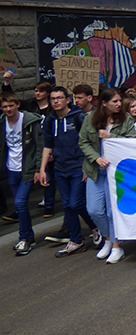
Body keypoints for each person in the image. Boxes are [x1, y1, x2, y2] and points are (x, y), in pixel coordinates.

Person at [37, 86, 98, 257]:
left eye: (59, 98)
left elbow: (87, 142)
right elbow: (47, 146)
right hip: (60, 169)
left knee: (76, 203)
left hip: (78, 167)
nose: (56, 101)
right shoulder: (50, 121)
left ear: (67, 100)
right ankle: (76, 240)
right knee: (67, 206)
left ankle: (94, 226)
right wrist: (42, 169)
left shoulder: (78, 117)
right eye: (53, 98)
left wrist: (88, 166)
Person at [78, 89, 136, 263]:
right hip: (96, 171)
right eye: (115, 101)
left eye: (120, 101)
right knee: (94, 209)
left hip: (116, 172)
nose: (119, 104)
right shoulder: (90, 119)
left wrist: (111, 136)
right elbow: (83, 141)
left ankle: (117, 246)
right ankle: (108, 238)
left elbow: (132, 142)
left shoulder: (126, 120)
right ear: (104, 103)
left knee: (112, 211)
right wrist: (96, 158)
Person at [1, 92, 44, 255]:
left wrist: (40, 169)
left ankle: (24, 239)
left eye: (11, 106)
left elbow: (40, 146)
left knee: (19, 203)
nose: (8, 109)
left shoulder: (30, 121)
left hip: (27, 168)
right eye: (4, 107)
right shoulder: (2, 122)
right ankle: (29, 236)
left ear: (17, 105)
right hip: (11, 169)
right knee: (21, 206)